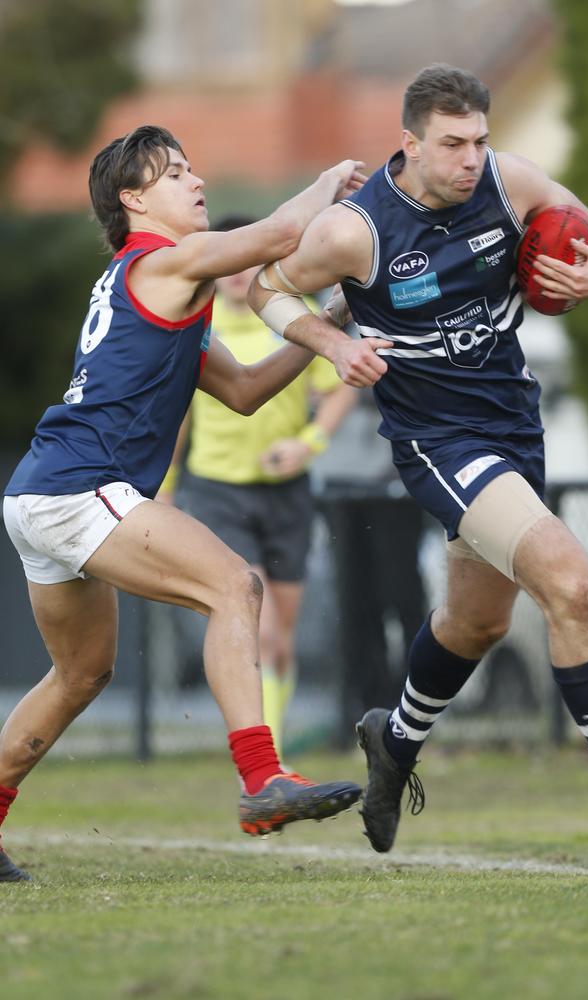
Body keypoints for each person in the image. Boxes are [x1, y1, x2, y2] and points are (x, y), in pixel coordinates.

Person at [248, 64, 588, 856]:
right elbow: (266, 287)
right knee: (570, 581)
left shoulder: (505, 183)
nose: (472, 159)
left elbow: (587, 216)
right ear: (410, 144)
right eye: (453, 144)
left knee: (477, 621)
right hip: (438, 440)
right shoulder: (354, 231)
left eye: (481, 141)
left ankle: (393, 745)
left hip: (514, 426)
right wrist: (334, 344)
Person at [0, 125, 366, 883]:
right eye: (174, 174)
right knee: (235, 585)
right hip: (78, 488)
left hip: (44, 491)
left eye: (195, 169)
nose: (196, 182)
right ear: (133, 201)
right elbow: (282, 232)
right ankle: (262, 779)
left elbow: (243, 391)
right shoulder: (166, 261)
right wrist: (331, 178)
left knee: (80, 676)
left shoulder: (160, 286)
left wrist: (326, 327)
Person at [159, 213, 356, 757]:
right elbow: (179, 415)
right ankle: (262, 760)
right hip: (219, 491)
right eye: (224, 261)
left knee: (282, 637)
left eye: (243, 261)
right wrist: (168, 485)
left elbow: (339, 389)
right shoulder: (199, 322)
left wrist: (307, 444)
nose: (232, 272)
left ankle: (273, 749)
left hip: (288, 493)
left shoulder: (294, 315)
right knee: (259, 625)